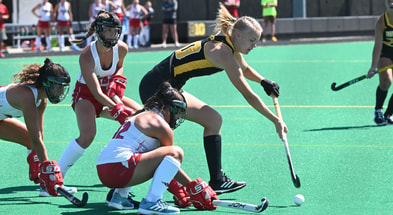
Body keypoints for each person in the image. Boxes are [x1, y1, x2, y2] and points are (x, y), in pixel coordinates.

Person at [139, 3, 288, 195]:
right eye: (252, 40)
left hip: (169, 87)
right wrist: (275, 120)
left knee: (213, 120)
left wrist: (263, 80)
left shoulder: (229, 42)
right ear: (238, 35)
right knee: (158, 142)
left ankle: (217, 180)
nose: (254, 45)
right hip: (156, 88)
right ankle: (127, 185)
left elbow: (244, 68)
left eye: (256, 41)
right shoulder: (222, 52)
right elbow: (248, 95)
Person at [59, 10, 142, 208]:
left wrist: (117, 80)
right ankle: (55, 178)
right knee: (88, 135)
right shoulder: (87, 55)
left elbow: (119, 66)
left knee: (140, 117)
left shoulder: (122, 48)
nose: (113, 35)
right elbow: (95, 92)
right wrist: (117, 107)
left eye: (116, 31)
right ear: (99, 31)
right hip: (87, 96)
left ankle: (123, 189)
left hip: (109, 94)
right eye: (109, 31)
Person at [97, 82, 219, 214]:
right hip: (118, 169)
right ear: (166, 108)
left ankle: (119, 197)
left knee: (137, 150)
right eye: (176, 111)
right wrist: (191, 186)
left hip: (104, 168)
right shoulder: (161, 126)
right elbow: (169, 160)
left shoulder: (140, 114)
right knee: (176, 152)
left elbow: (159, 161)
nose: (178, 116)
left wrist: (179, 187)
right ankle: (152, 202)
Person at [0, 58, 71, 197]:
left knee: (30, 139)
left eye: (63, 86)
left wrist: (36, 159)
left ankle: (44, 186)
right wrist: (46, 167)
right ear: (47, 84)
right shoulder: (27, 97)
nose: (62, 91)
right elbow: (36, 139)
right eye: (58, 86)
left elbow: (39, 134)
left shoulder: (42, 100)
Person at [367, 0, 393, 125]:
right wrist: (373, 67)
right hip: (386, 52)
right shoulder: (381, 22)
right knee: (386, 80)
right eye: (389, 1)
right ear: (385, 3)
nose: (392, 3)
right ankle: (378, 110)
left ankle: (389, 114)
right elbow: (378, 45)